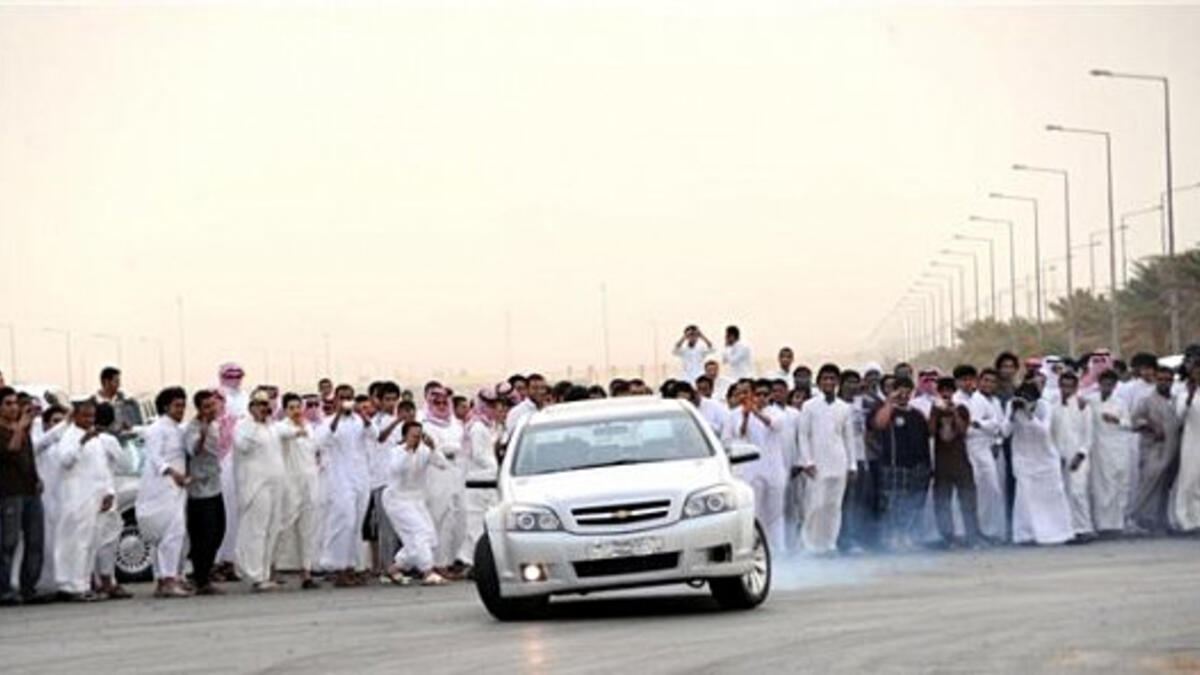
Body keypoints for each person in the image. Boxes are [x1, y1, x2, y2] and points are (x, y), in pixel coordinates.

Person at [50, 400, 116, 600]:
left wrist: (108, 492)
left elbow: (102, 467)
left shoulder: (95, 438)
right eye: (85, 416)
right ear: (76, 416)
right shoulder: (70, 436)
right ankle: (71, 585)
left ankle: (84, 583)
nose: (89, 420)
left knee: (90, 542)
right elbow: (65, 460)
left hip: (95, 498)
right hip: (76, 498)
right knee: (75, 542)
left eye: (92, 416)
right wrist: (81, 442)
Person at [794, 364, 857, 555]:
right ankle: (810, 545)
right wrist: (808, 461)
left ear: (837, 382)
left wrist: (852, 465)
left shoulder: (844, 408)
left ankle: (829, 544)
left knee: (833, 506)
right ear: (819, 382)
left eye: (832, 379)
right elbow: (803, 436)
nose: (829, 382)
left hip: (839, 462)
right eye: (825, 379)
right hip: (817, 464)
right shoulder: (809, 406)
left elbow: (848, 438)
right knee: (815, 505)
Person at [135, 387, 192, 598]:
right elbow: (154, 456)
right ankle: (168, 579)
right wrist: (171, 472)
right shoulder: (157, 428)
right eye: (177, 406)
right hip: (161, 487)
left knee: (173, 533)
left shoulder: (178, 429)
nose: (181, 410)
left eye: (183, 406)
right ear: (166, 407)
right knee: (171, 533)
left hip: (176, 488)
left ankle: (165, 578)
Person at [317, 384, 372, 587]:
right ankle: (336, 566)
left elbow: (374, 435)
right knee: (343, 521)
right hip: (339, 478)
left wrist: (363, 415)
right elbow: (321, 441)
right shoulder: (328, 422)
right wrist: (338, 416)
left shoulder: (359, 421)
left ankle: (352, 566)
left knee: (356, 523)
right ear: (336, 400)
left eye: (350, 397)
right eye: (343, 398)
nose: (346, 401)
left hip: (360, 477)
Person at [723, 380, 786, 554]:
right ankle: (759, 550)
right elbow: (739, 435)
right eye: (757, 394)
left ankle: (779, 550)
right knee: (755, 512)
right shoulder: (734, 414)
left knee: (775, 512)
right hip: (750, 469)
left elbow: (774, 425)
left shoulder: (776, 412)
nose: (761, 397)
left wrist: (755, 411)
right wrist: (745, 416)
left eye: (764, 394)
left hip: (773, 468)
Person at [382, 421, 448, 585]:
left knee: (429, 537)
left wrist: (433, 448)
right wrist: (408, 450)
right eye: (413, 436)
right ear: (405, 436)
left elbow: (443, 464)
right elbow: (395, 469)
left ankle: (394, 569)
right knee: (420, 533)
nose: (417, 439)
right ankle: (428, 571)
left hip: (416, 499)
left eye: (419, 435)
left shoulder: (425, 451)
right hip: (397, 499)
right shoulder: (396, 452)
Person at [869, 377, 932, 551]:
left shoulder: (917, 414)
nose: (904, 395)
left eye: (907, 391)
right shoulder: (886, 410)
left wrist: (927, 466)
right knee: (892, 504)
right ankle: (891, 537)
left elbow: (927, 436)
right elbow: (879, 424)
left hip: (917, 465)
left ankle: (906, 536)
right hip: (894, 464)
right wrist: (890, 402)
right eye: (900, 390)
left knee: (912, 504)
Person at [1008, 383, 1074, 545]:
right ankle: (1026, 535)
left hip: (1045, 459)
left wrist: (1030, 414)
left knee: (1053, 496)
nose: (1025, 400)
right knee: (1024, 498)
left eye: (1029, 397)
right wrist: (1012, 415)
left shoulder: (1045, 406)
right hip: (1023, 459)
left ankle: (1058, 532)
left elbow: (1044, 432)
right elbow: (1005, 432)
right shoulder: (1012, 405)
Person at [234, 390, 286, 592]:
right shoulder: (244, 425)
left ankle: (265, 573)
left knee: (272, 529)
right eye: (259, 404)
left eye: (266, 405)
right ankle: (254, 575)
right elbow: (242, 446)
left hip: (275, 484)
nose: (264, 408)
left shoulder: (272, 427)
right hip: (257, 486)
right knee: (257, 530)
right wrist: (255, 423)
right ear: (251, 406)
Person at [0, 387, 44, 605]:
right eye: (7, 403)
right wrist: (20, 427)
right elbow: (11, 451)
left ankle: (29, 587)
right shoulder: (8, 430)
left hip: (30, 490)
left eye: (15, 403)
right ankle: (4, 589)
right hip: (9, 492)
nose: (13, 407)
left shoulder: (22, 429)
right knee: (8, 542)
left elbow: (28, 455)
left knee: (35, 540)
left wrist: (37, 478)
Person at [1128, 366, 1182, 533]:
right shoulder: (1146, 400)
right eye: (1161, 379)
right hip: (1154, 450)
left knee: (1166, 488)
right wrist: (1151, 427)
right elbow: (1134, 421)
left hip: (1173, 450)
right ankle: (1136, 517)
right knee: (1149, 485)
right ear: (1155, 380)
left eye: (1168, 380)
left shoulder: (1176, 399)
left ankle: (1161, 521)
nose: (1165, 383)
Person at [421, 384, 468, 577]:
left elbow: (462, 446)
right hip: (436, 474)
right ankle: (436, 563)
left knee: (456, 518)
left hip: (456, 473)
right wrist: (446, 453)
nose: (441, 405)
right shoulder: (425, 423)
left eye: (443, 402)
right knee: (438, 517)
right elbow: (430, 450)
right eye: (436, 402)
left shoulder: (455, 423)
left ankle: (451, 561)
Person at [275, 393, 321, 589]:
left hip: (309, 483)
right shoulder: (281, 427)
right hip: (290, 484)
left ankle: (306, 572)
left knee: (308, 529)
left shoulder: (309, 427)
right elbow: (283, 435)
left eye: (298, 407)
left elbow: (315, 450)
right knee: (283, 527)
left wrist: (303, 429)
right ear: (285, 409)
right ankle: (270, 568)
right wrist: (297, 431)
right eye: (291, 407)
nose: (296, 411)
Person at [182, 389, 226, 595]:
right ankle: (201, 578)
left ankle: (204, 571)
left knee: (219, 531)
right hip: (199, 490)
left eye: (213, 405)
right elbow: (194, 450)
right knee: (204, 535)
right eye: (207, 407)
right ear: (199, 409)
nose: (211, 410)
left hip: (215, 485)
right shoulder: (193, 428)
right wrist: (204, 430)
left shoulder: (216, 425)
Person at [930, 377, 981, 547]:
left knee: (968, 499)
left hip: (961, 461)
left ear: (953, 392)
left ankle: (972, 535)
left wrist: (953, 413)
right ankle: (947, 537)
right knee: (942, 501)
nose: (946, 394)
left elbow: (963, 430)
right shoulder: (935, 409)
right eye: (942, 391)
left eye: (948, 391)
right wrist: (936, 413)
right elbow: (930, 431)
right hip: (942, 463)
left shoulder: (961, 409)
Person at [959, 366, 1006, 541]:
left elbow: (1001, 427)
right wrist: (989, 425)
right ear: (979, 382)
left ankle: (993, 530)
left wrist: (993, 432)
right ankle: (981, 530)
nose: (988, 384)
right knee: (983, 489)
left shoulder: (995, 402)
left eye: (992, 381)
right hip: (976, 449)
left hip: (993, 448)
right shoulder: (976, 400)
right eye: (985, 380)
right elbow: (973, 425)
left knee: (994, 490)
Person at [89, 404, 130, 599]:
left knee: (94, 539)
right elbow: (124, 463)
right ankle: (107, 581)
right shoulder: (108, 440)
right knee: (108, 539)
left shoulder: (87, 437)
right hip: (108, 493)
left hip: (87, 495)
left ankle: (97, 580)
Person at [1049, 371, 1095, 541]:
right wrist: (1055, 456)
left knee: (1078, 492)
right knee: (1063, 494)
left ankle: (1084, 528)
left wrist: (1081, 454)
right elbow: (1050, 435)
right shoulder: (1053, 406)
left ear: (1076, 388)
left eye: (1070, 386)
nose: (1066, 390)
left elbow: (1088, 434)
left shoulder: (1083, 406)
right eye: (1063, 386)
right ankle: (1068, 530)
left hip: (1079, 457)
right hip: (1059, 457)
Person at [460, 386, 502, 571]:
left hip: (488, 482)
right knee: (475, 525)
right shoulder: (477, 427)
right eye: (490, 405)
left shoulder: (487, 425)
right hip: (477, 482)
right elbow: (478, 455)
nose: (494, 408)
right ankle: (475, 564)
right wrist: (496, 466)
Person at [214, 362, 248, 580]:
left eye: (238, 375)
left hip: (243, 459)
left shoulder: (246, 396)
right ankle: (218, 561)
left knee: (238, 511)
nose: (234, 379)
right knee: (223, 511)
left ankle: (232, 560)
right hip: (223, 458)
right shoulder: (217, 395)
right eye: (230, 375)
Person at [1087, 369, 1132, 536]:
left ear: (1115, 385)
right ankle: (1101, 524)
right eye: (1104, 384)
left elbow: (1128, 424)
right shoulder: (1090, 400)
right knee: (1100, 487)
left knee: (1117, 485)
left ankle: (1116, 524)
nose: (1107, 387)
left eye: (1110, 384)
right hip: (1098, 448)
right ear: (1099, 384)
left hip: (1117, 447)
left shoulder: (1120, 403)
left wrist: (1117, 420)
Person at [1170, 357, 1200, 532]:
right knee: (1188, 479)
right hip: (1192, 440)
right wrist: (1189, 397)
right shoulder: (1183, 393)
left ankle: (1197, 519)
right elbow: (1180, 416)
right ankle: (1184, 520)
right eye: (1196, 370)